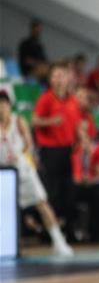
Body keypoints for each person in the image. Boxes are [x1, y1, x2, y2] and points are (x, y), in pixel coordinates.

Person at [0, 91, 74, 256]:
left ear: (9, 106)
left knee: (42, 204)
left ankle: (59, 241)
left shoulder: (18, 121)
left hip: (23, 170)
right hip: (4, 174)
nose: (1, 108)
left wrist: (19, 155)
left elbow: (29, 144)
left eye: (3, 104)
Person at [32, 62, 80, 235]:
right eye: (55, 76)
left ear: (68, 78)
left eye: (62, 75)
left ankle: (68, 229)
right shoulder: (46, 98)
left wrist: (82, 138)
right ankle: (49, 231)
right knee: (52, 192)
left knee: (69, 191)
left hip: (68, 151)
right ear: (50, 79)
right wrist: (51, 121)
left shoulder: (73, 100)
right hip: (50, 151)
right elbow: (34, 120)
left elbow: (76, 124)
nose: (59, 79)